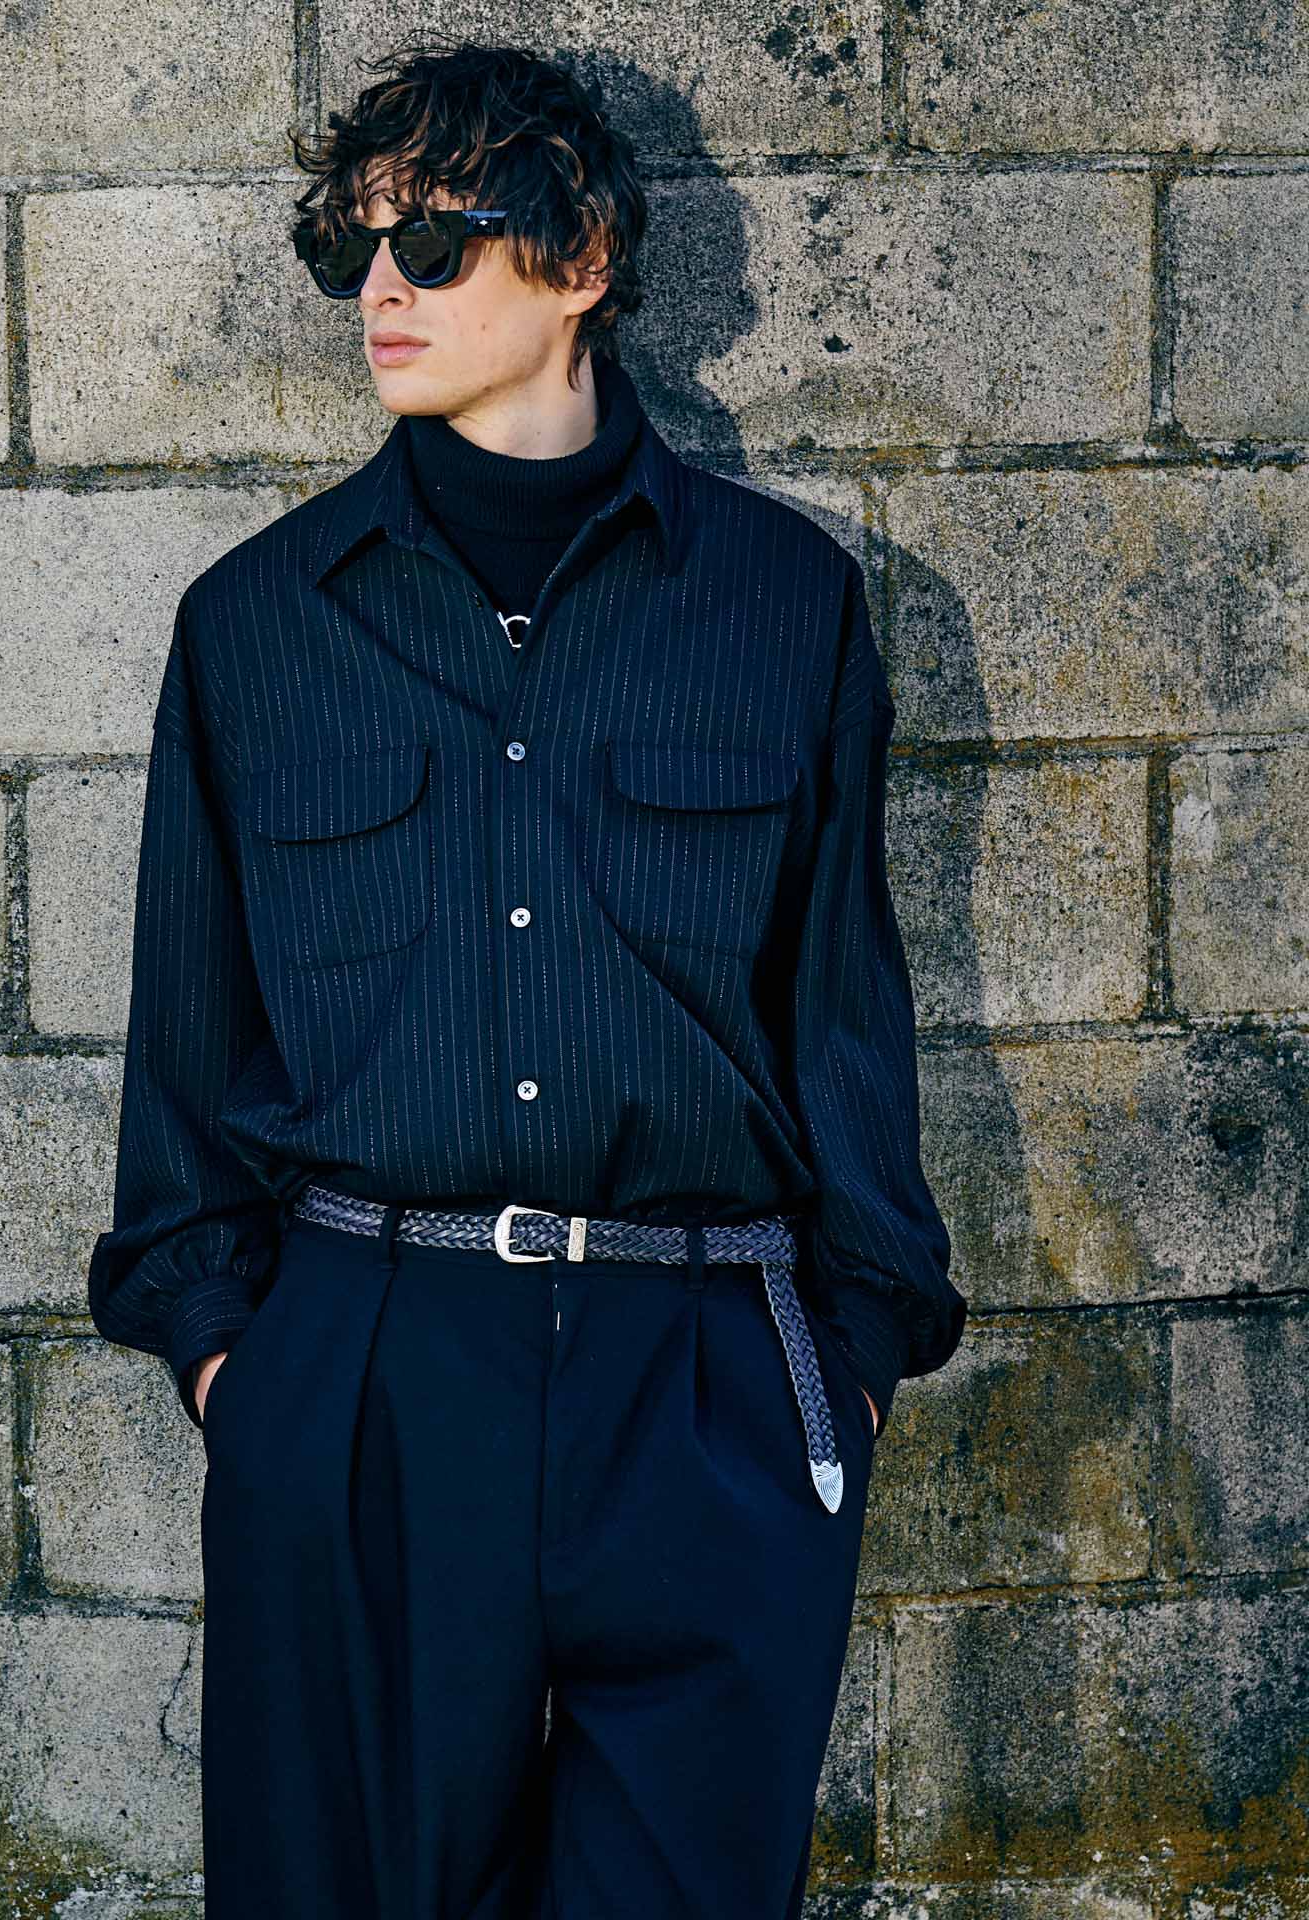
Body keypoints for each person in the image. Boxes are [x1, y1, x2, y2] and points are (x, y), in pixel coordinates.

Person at [87, 35, 967, 1919]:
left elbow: (843, 1013)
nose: (381, 291)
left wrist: (849, 1365)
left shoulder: (780, 604)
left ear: (582, 260)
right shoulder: (255, 626)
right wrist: (244, 1373)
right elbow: (189, 1050)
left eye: (435, 242)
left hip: (707, 1382)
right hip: (367, 1382)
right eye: (352, 250)